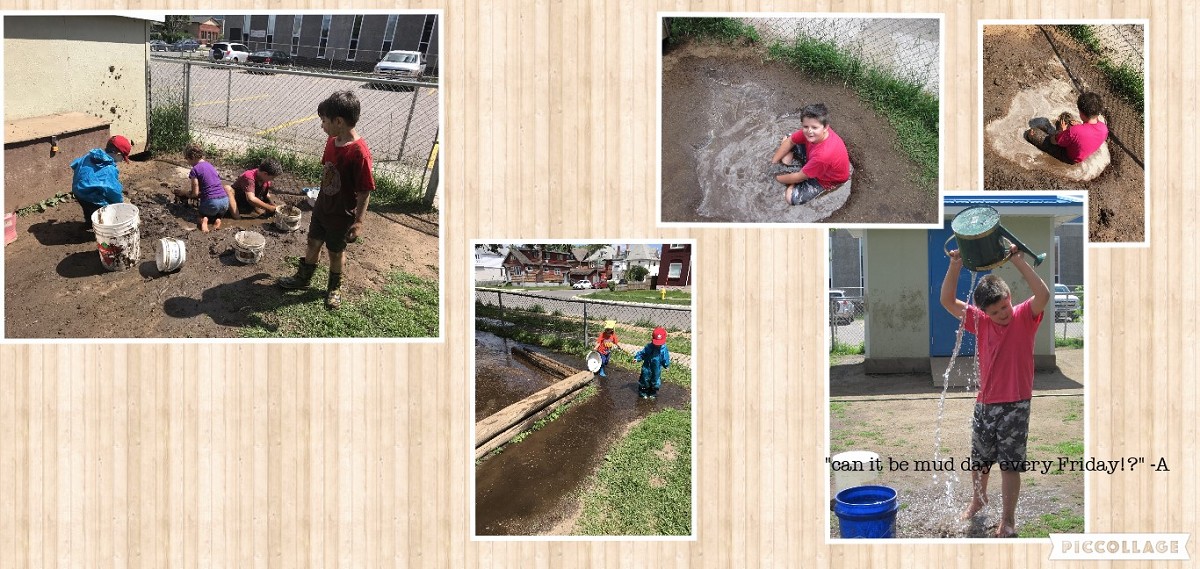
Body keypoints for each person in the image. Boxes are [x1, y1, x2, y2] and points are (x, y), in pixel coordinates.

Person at [939, 244, 1050, 538]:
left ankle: (1008, 519)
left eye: (1004, 307)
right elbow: (947, 300)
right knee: (979, 460)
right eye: (995, 311)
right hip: (985, 403)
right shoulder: (981, 322)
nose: (1002, 314)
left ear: (1010, 299)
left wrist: (1018, 261)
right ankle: (978, 499)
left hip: (1016, 404)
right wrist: (955, 266)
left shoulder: (1025, 315)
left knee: (1010, 465)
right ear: (985, 312)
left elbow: (1044, 295)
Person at [278, 91, 375, 310]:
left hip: (341, 215)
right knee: (312, 242)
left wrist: (358, 222)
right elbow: (329, 173)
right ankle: (303, 279)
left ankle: (334, 288)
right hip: (322, 208)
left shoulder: (359, 153)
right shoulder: (332, 141)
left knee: (335, 251)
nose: (322, 125)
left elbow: (364, 191)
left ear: (338, 121)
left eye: (324, 121)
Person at [769, 103, 851, 206]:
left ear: (825, 127)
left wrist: (776, 178)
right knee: (787, 138)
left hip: (826, 178)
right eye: (805, 126)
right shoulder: (813, 134)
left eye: (814, 127)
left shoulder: (823, 155)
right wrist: (773, 163)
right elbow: (790, 141)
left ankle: (795, 176)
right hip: (814, 159)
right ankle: (791, 168)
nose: (809, 131)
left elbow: (800, 177)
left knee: (790, 198)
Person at [1025, 92, 1108, 164]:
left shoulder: (1075, 131)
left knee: (1032, 133)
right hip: (1082, 152)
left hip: (1069, 157)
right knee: (1066, 119)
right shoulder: (1104, 128)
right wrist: (1079, 125)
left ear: (1081, 114)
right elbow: (1088, 132)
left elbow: (1053, 141)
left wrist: (1062, 131)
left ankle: (1039, 135)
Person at [70, 135, 132, 229]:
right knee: (103, 210)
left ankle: (89, 222)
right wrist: (120, 203)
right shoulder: (109, 169)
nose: (122, 160)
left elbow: (75, 164)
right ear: (118, 154)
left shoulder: (89, 155)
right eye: (123, 158)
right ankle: (102, 229)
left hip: (78, 191)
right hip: (91, 197)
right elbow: (113, 190)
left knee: (87, 209)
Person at [173, 143, 231, 232]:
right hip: (225, 201)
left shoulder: (195, 170)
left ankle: (203, 221)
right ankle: (218, 220)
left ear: (191, 157)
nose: (187, 162)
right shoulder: (210, 166)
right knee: (217, 214)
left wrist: (184, 193)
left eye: (186, 159)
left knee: (201, 214)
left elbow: (195, 193)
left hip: (212, 203)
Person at [633, 326, 671, 400]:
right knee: (645, 378)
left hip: (656, 367)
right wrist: (637, 358)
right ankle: (643, 392)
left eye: (659, 343)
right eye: (656, 343)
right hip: (647, 366)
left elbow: (665, 358)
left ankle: (653, 392)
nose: (657, 345)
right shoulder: (649, 347)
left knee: (655, 379)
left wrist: (666, 365)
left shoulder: (663, 349)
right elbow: (642, 354)